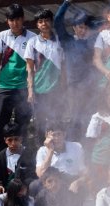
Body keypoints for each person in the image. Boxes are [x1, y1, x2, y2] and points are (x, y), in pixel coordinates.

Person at [0, 4, 36, 154]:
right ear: (7, 21)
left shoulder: (32, 38)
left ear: (23, 19)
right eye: (11, 19)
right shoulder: (2, 36)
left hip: (23, 88)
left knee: (22, 126)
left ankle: (21, 162)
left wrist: (31, 89)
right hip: (4, 87)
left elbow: (33, 66)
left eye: (17, 19)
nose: (15, 23)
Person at [54, 1, 97, 141]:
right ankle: (73, 144)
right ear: (74, 27)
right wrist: (66, 4)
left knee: (88, 117)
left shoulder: (92, 42)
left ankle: (87, 147)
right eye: (80, 27)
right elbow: (57, 22)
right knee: (74, 118)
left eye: (85, 28)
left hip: (90, 88)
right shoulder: (67, 41)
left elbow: (101, 24)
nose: (83, 30)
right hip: (73, 87)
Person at [25, 10, 65, 140]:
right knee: (40, 123)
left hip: (56, 89)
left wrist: (65, 88)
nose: (44, 24)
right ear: (37, 25)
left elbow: (64, 67)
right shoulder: (32, 42)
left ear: (51, 22)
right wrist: (30, 91)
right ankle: (41, 152)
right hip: (39, 89)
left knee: (57, 121)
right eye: (40, 21)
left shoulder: (60, 41)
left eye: (46, 20)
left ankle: (57, 151)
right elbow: (30, 69)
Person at [0, 122, 36, 192]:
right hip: (7, 190)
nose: (13, 143)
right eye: (10, 140)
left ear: (21, 139)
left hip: (24, 190)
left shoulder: (29, 154)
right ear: (5, 140)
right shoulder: (1, 156)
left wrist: (25, 186)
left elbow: (32, 174)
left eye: (16, 139)